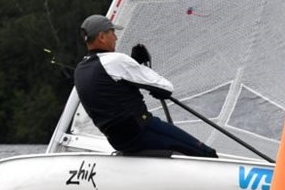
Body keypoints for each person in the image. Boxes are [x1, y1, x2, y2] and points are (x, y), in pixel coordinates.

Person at [73, 14, 217, 158]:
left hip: (119, 142)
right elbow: (165, 88)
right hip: (143, 132)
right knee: (206, 153)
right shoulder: (115, 61)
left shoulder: (80, 70)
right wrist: (138, 65)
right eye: (112, 33)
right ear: (101, 37)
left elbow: (111, 88)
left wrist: (134, 64)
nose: (115, 38)